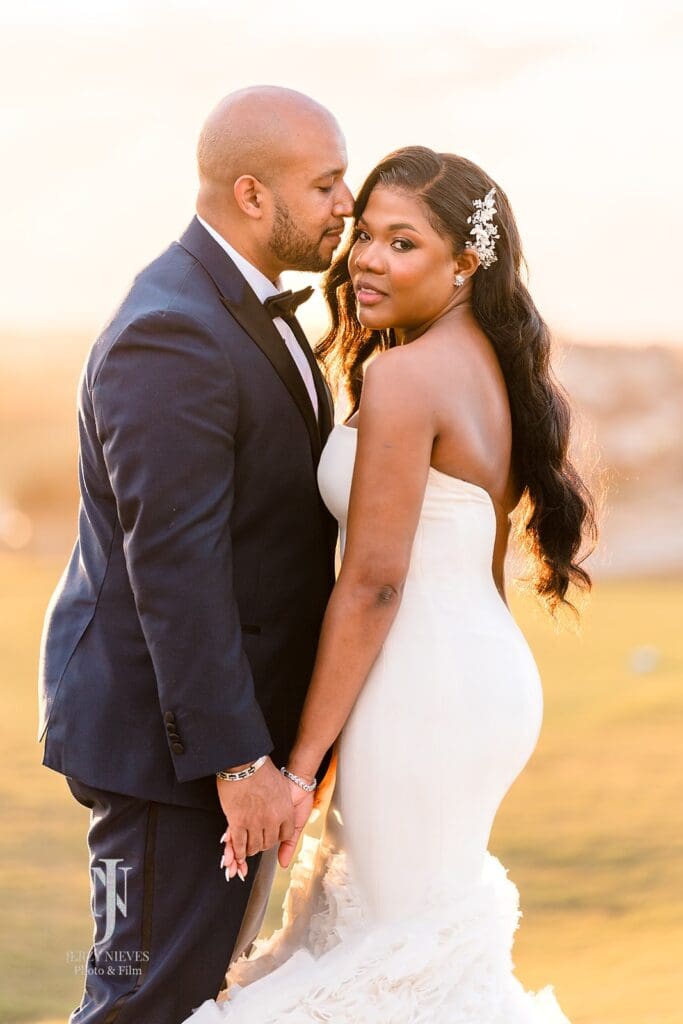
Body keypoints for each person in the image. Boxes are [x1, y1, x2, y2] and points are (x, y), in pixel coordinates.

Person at [188, 147, 597, 1022]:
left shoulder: (404, 376)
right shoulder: (484, 362)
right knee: (410, 947)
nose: (367, 258)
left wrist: (297, 773)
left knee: (399, 960)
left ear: (464, 264)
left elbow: (372, 584)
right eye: (364, 234)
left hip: (425, 693)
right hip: (468, 679)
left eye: (401, 243)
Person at [37, 85, 354, 1022]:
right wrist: (236, 763)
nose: (347, 202)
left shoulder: (238, 305)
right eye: (326, 183)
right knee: (141, 1002)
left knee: (194, 994)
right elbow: (173, 567)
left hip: (218, 746)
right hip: (165, 758)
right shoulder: (171, 331)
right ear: (252, 194)